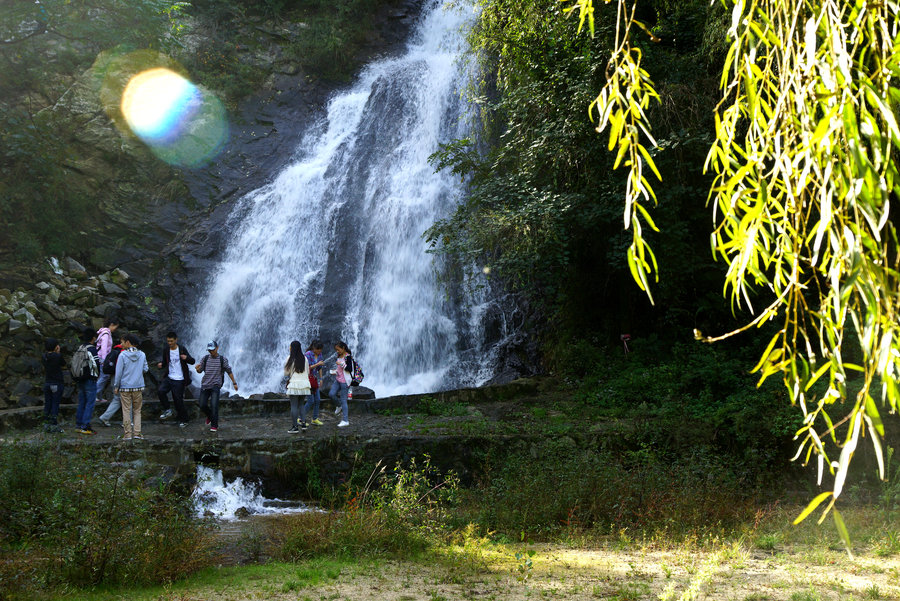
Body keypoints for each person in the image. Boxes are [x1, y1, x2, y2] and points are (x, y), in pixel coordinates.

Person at [195, 340, 237, 432]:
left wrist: (234, 383)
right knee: (202, 404)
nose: (211, 352)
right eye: (209, 350)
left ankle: (214, 425)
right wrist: (197, 369)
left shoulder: (223, 359)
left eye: (213, 350)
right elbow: (200, 371)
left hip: (215, 385)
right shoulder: (205, 359)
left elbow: (229, 371)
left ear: (217, 348)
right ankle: (210, 416)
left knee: (214, 405)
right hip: (205, 385)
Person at [113, 333, 149, 441]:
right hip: (138, 387)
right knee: (137, 410)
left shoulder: (122, 355)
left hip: (125, 388)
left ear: (128, 342)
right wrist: (137, 371)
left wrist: (116, 386)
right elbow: (146, 369)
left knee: (126, 410)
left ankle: (128, 434)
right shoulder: (142, 354)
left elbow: (118, 373)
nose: (121, 344)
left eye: (122, 342)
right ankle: (137, 433)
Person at [156, 331, 196, 427]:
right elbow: (165, 362)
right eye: (168, 341)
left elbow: (192, 361)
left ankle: (184, 419)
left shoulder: (182, 349)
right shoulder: (166, 349)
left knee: (178, 400)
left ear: (176, 340)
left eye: (171, 341)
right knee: (161, 391)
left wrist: (186, 358)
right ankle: (167, 410)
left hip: (180, 379)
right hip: (169, 377)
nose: (170, 343)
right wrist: (161, 364)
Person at [73, 327, 101, 435]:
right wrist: (97, 375)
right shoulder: (92, 349)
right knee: (90, 403)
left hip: (80, 378)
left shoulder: (80, 348)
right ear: (93, 338)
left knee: (82, 402)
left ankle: (78, 425)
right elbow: (96, 364)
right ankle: (86, 426)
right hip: (90, 379)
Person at [284, 341, 311, 433]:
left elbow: (286, 373)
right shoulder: (305, 358)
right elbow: (308, 372)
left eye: (290, 346)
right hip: (305, 384)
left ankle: (295, 427)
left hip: (294, 384)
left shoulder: (290, 358)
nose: (289, 348)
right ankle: (303, 424)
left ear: (292, 348)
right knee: (301, 405)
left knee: (294, 406)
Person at [97, 337, 124, 427]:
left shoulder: (115, 351)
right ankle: (128, 422)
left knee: (117, 399)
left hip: (113, 378)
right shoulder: (123, 353)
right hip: (122, 380)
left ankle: (105, 417)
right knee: (128, 400)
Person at [94, 318, 119, 403]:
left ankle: (99, 397)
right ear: (111, 324)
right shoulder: (105, 334)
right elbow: (104, 348)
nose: (115, 328)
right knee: (104, 376)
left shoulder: (103, 332)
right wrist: (105, 361)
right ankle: (95, 395)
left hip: (100, 357)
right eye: (115, 326)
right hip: (102, 358)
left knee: (102, 377)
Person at [41, 338, 64, 433]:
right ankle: (54, 425)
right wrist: (58, 352)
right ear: (56, 346)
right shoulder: (57, 356)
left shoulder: (44, 356)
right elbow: (63, 363)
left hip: (47, 383)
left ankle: (46, 424)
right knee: (55, 404)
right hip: (57, 383)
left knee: (48, 404)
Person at [328, 341, 352, 428]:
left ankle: (345, 420)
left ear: (343, 348)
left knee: (344, 400)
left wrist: (341, 364)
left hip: (344, 382)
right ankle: (339, 406)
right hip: (338, 380)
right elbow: (341, 369)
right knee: (331, 394)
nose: (337, 351)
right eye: (336, 350)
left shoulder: (348, 357)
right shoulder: (339, 356)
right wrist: (336, 371)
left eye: (338, 350)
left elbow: (349, 369)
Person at [304, 340, 325, 426]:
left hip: (315, 380)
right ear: (314, 348)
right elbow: (306, 368)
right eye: (318, 349)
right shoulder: (307, 355)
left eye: (321, 350)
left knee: (317, 400)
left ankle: (314, 419)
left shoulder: (320, 355)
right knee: (310, 401)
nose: (320, 351)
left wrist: (321, 378)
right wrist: (317, 364)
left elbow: (320, 368)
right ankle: (300, 418)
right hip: (307, 379)